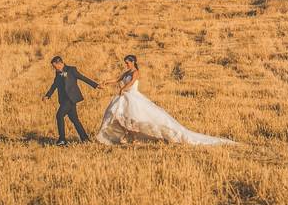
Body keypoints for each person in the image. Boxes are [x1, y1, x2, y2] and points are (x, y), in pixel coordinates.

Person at [94, 54, 235, 146]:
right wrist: (106, 82)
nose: (126, 65)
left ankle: (136, 137)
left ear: (133, 62)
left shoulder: (136, 72)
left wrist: (123, 89)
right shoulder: (127, 72)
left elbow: (131, 84)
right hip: (125, 97)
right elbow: (117, 79)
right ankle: (129, 136)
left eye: (128, 63)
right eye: (125, 63)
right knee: (121, 116)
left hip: (133, 97)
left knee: (136, 117)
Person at [42, 56, 100, 145]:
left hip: (71, 98)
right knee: (75, 120)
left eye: (55, 66)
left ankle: (62, 139)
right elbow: (54, 85)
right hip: (64, 99)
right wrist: (47, 95)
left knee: (59, 115)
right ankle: (85, 139)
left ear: (60, 63)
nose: (54, 68)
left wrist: (96, 85)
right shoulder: (57, 73)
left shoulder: (71, 70)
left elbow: (83, 78)